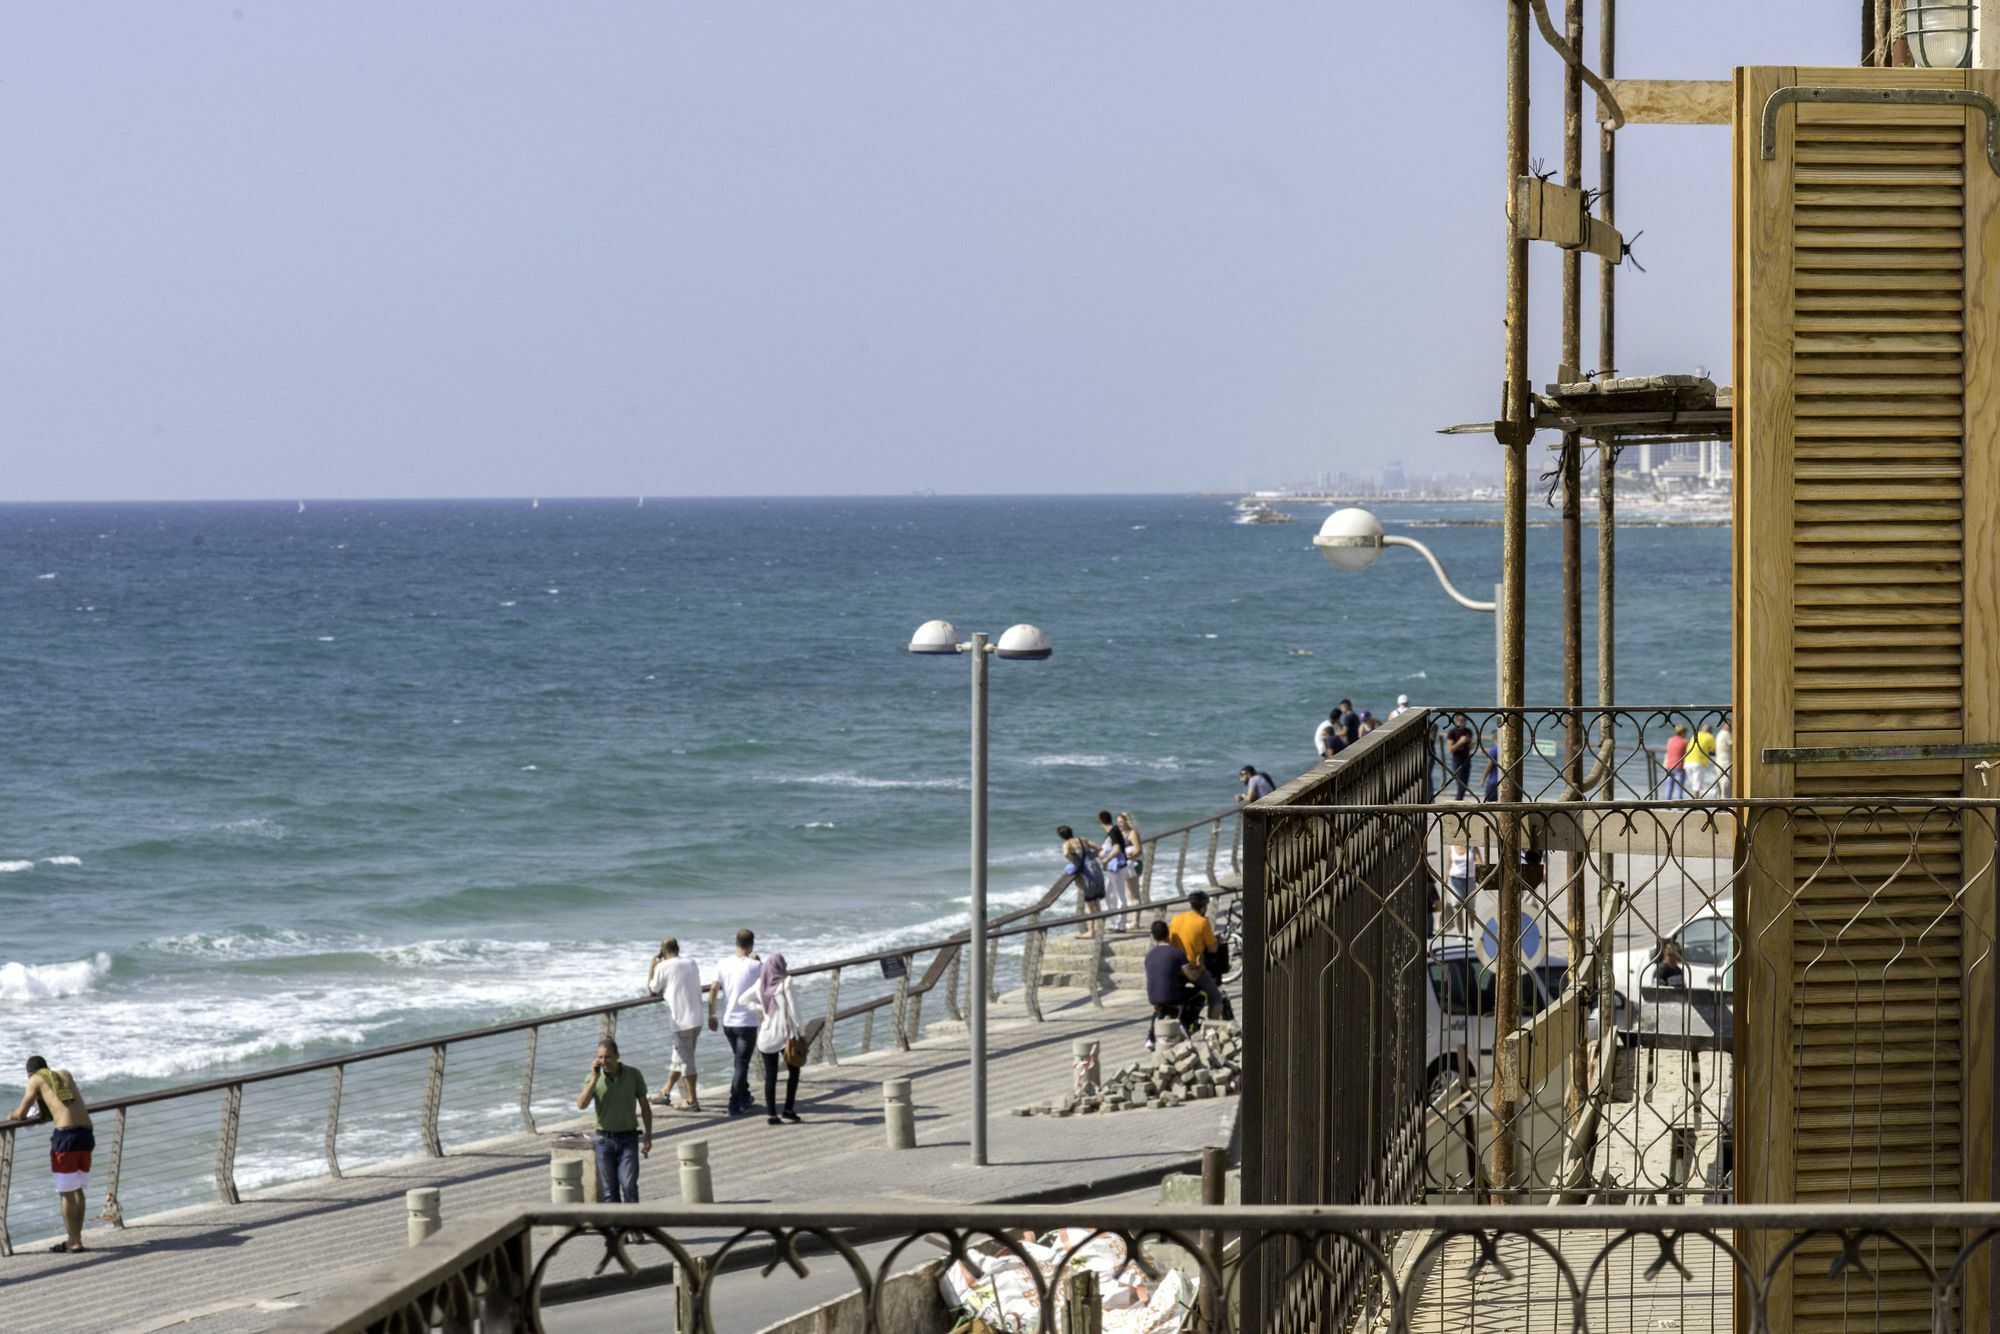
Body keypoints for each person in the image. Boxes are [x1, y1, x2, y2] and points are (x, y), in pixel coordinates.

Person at [9, 1056, 94, 1253]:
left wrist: (11, 1115)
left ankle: (74, 1241)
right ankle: (76, 1238)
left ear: (30, 1073)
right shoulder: (64, 1074)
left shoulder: (35, 1079)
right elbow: (64, 1102)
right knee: (78, 1189)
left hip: (66, 1137)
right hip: (86, 1133)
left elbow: (21, 1113)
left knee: (66, 1192)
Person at [574, 1038, 652, 1203]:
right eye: (600, 1057)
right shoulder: (593, 1078)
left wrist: (648, 1136)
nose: (604, 1061)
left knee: (629, 1185)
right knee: (610, 1191)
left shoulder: (633, 1074)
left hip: (628, 1138)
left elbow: (645, 1107)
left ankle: (633, 1227)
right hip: (604, 1140)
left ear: (617, 1055)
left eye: (607, 1057)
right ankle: (617, 1229)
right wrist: (594, 1079)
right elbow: (581, 1104)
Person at [709, 929, 764, 1117]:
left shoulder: (723, 963)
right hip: (746, 1022)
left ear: (736, 943)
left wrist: (712, 1014)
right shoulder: (755, 966)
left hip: (728, 1022)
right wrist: (758, 961)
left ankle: (744, 1096)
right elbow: (766, 985)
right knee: (741, 1063)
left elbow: (714, 988)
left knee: (739, 1061)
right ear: (751, 945)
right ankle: (734, 1104)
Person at [647, 938, 705, 1111]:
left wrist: (652, 965)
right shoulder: (691, 962)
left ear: (663, 952)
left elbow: (652, 989)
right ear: (678, 949)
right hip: (697, 1018)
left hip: (681, 1022)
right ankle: (665, 1092)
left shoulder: (663, 967)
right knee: (679, 1058)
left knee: (686, 1062)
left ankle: (692, 1101)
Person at [753, 952, 803, 1125]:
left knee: (771, 1076)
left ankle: (772, 1115)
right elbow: (795, 1013)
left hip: (765, 1037)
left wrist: (761, 1009)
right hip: (784, 1036)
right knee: (794, 1071)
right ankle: (788, 1110)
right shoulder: (786, 983)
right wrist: (801, 1035)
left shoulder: (761, 983)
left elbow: (741, 1000)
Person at [1169, 891, 1230, 1021]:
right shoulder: (1202, 922)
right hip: (1194, 969)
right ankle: (1212, 1028)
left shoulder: (1176, 919)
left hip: (1175, 969)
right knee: (1215, 997)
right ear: (1204, 907)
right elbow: (1213, 949)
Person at [1143, 920, 1200, 1051]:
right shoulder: (1177, 953)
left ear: (1153, 936)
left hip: (1153, 996)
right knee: (1199, 994)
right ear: (1168, 934)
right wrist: (1198, 965)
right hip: (1172, 995)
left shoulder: (1149, 955)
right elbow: (1192, 976)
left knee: (1163, 1006)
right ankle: (1185, 1024)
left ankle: (1150, 1039)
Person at [1059, 825, 1107, 935]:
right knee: (1097, 902)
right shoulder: (1082, 839)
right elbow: (1099, 848)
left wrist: (1075, 861)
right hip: (1096, 869)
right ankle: (1100, 928)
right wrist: (1091, 857)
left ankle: (1092, 931)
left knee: (1090, 904)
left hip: (1087, 873)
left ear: (1061, 836)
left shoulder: (1067, 843)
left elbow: (1066, 853)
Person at [1098, 810, 1135, 933]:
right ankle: (1116, 923)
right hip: (1114, 868)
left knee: (1120, 896)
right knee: (1109, 896)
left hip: (1118, 868)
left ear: (1100, 822)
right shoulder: (1113, 831)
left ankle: (1121, 925)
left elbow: (1117, 849)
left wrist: (1106, 859)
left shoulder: (1113, 832)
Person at [1444, 715, 1476, 800]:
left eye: (1464, 720)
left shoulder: (1468, 731)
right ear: (1455, 720)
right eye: (1460, 720)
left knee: (1465, 785)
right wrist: (1460, 742)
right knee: (1460, 785)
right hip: (1457, 760)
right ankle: (1458, 802)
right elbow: (1450, 749)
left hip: (1467, 759)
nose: (1462, 722)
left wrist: (1471, 744)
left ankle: (1459, 801)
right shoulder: (1452, 732)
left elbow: (1469, 747)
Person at [1117, 812, 1145, 904]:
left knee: (1135, 895)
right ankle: (1134, 915)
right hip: (1126, 866)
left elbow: (1138, 850)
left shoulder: (1133, 833)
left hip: (1134, 865)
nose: (1119, 824)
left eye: (1121, 822)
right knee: (1129, 894)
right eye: (1118, 822)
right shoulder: (1121, 834)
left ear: (1126, 822)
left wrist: (1127, 858)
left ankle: (1135, 918)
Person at [1686, 724, 1717, 797]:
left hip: (1687, 761)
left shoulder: (1695, 735)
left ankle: (1694, 802)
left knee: (1694, 784)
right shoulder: (1709, 737)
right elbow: (1715, 749)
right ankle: (1696, 804)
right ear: (1710, 731)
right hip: (1698, 762)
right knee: (1697, 786)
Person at [1663, 725, 1691, 800]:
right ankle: (1679, 807)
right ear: (1683, 733)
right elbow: (1689, 752)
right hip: (1679, 767)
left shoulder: (1670, 740)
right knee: (1679, 788)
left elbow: (1667, 753)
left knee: (1669, 787)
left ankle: (1666, 806)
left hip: (1669, 766)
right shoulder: (1685, 741)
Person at [1713, 720, 1734, 797]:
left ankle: (1720, 801)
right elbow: (1733, 745)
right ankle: (1725, 803)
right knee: (1726, 783)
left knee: (1720, 783)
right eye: (1730, 724)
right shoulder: (1726, 734)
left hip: (1718, 762)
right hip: (1726, 762)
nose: (1731, 726)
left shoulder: (1719, 734)